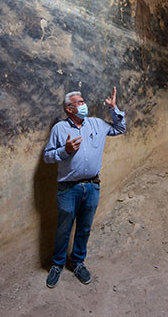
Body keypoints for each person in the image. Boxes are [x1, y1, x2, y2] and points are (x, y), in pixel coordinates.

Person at [43, 86, 126, 288]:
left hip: (92, 187)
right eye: (79, 103)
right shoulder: (59, 129)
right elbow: (47, 157)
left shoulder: (97, 124)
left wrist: (114, 108)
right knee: (64, 229)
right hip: (68, 189)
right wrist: (65, 150)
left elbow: (120, 129)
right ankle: (57, 264)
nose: (84, 105)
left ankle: (78, 262)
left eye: (83, 101)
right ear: (69, 109)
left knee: (84, 228)